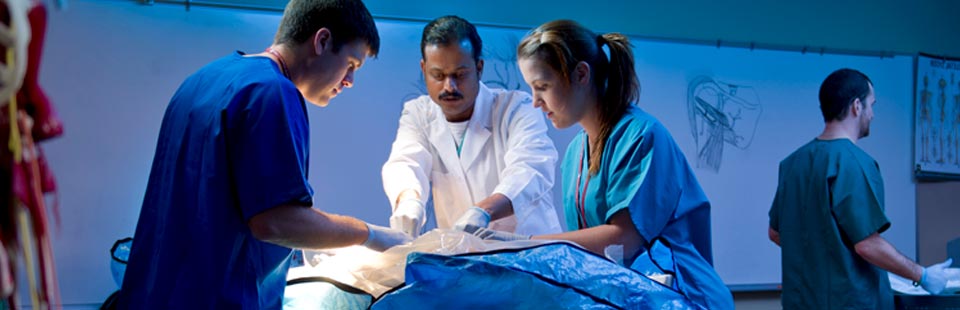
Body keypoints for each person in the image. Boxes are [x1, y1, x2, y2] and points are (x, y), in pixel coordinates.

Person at [117, 1, 411, 308]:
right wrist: (369, 234)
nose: (350, 81)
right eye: (351, 64)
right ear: (322, 41)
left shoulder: (202, 79)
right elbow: (276, 222)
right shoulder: (272, 91)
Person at [482, 19, 733, 309]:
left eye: (543, 86)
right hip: (632, 296)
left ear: (581, 74)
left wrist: (526, 243)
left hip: (683, 296)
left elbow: (623, 239)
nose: (536, 102)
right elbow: (591, 252)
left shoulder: (640, 136)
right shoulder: (576, 152)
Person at [768, 68, 954, 309]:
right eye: (871, 105)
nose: (873, 114)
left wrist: (822, 259)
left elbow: (776, 233)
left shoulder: (793, 163)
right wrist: (923, 275)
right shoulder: (853, 163)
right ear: (857, 106)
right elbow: (867, 244)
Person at [382, 15, 562, 238]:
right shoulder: (418, 113)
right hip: (463, 255)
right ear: (423, 68)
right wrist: (409, 199)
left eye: (460, 74)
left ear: (479, 68)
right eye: (438, 75)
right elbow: (406, 161)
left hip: (525, 251)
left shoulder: (516, 107)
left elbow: (531, 168)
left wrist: (483, 211)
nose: (449, 86)